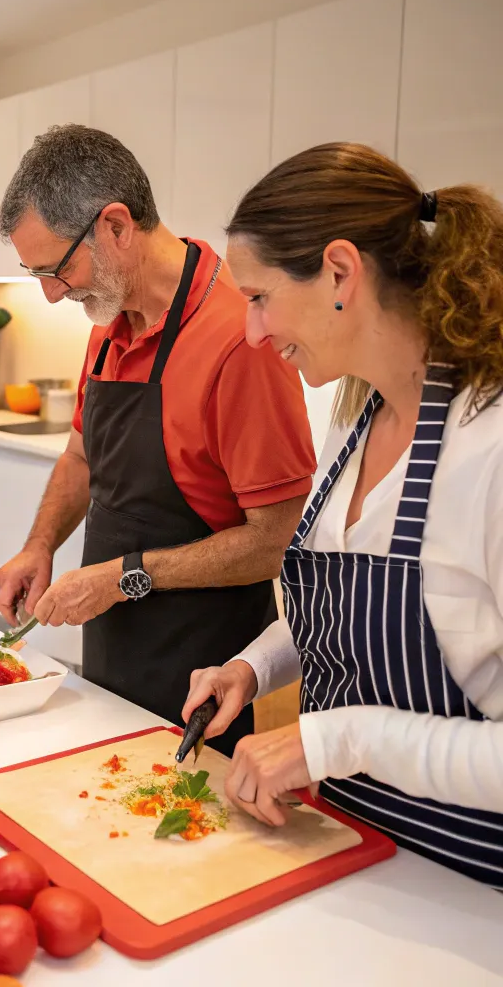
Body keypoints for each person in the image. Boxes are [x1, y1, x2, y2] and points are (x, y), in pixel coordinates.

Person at [182, 142, 503, 888]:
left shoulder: (488, 452)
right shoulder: (357, 415)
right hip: (349, 849)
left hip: (468, 894)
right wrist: (253, 666)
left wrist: (334, 741)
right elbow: (346, 615)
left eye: (259, 297)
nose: (252, 332)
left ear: (339, 272)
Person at [0, 125, 316, 754]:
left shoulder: (241, 340)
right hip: (112, 641)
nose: (52, 294)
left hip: (203, 668)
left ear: (116, 226)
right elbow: (81, 456)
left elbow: (275, 543)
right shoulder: (109, 320)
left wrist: (124, 577)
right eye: (36, 274)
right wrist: (40, 544)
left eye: (57, 269)